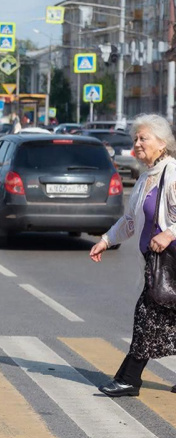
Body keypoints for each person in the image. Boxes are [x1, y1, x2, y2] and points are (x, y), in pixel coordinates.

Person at [90, 113, 176, 397]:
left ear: (162, 143)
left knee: (146, 317)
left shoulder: (172, 173)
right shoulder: (144, 179)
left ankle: (129, 379)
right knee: (162, 319)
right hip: (158, 265)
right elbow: (129, 221)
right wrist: (105, 240)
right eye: (135, 139)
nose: (137, 144)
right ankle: (129, 378)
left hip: (170, 263)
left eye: (143, 138)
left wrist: (169, 233)